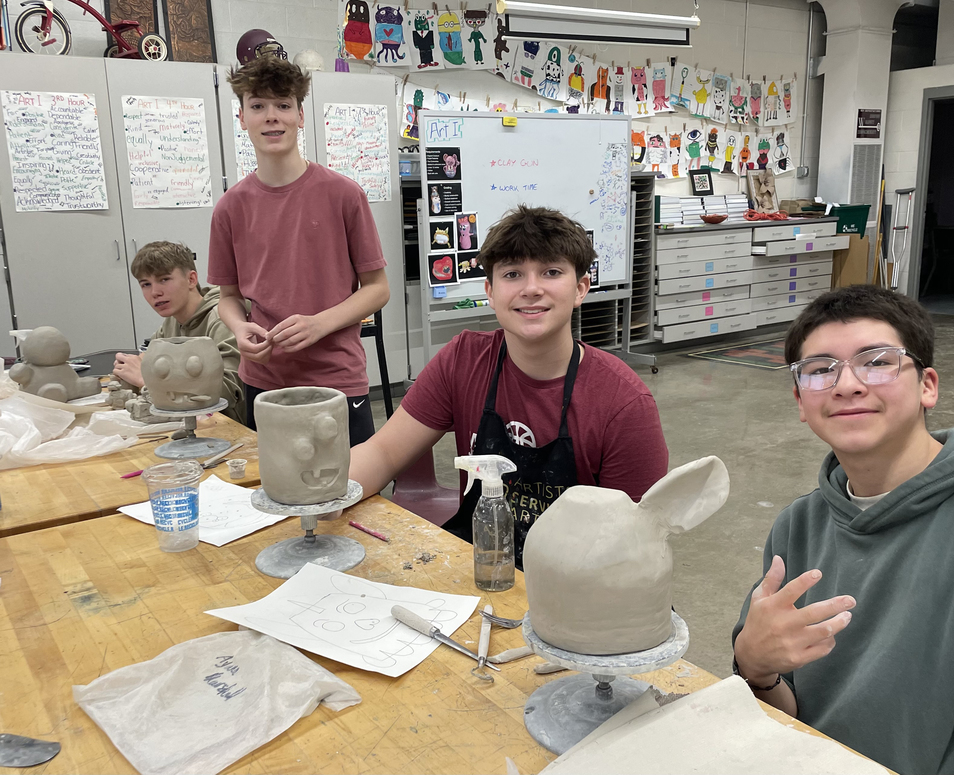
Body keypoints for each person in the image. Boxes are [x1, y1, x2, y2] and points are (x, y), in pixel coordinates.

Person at [731, 285, 954, 775]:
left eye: (878, 362)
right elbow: (787, 718)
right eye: (820, 370)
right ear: (800, 400)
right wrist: (757, 670)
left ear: (928, 385)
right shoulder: (798, 527)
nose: (846, 385)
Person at [350, 205, 670, 564]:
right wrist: (320, 496)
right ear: (490, 291)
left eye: (551, 272)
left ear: (580, 288)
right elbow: (383, 453)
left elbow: (635, 549)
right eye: (513, 274)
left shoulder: (624, 404)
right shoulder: (463, 360)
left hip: (580, 582)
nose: (531, 289)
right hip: (478, 566)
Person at [208, 54, 390, 442]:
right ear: (242, 118)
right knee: (274, 479)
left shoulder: (344, 195)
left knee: (353, 479)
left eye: (283, 105)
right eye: (258, 106)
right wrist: (239, 327)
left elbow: (377, 289)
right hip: (263, 380)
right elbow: (228, 297)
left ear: (300, 115)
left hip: (337, 379)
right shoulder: (230, 207)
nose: (271, 117)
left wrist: (319, 324)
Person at [113, 241, 245, 424]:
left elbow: (228, 392)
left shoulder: (222, 319)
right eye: (146, 284)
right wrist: (127, 371)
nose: (155, 292)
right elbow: (146, 361)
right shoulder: (172, 321)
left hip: (225, 428)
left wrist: (149, 382)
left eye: (164, 280)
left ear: (191, 279)